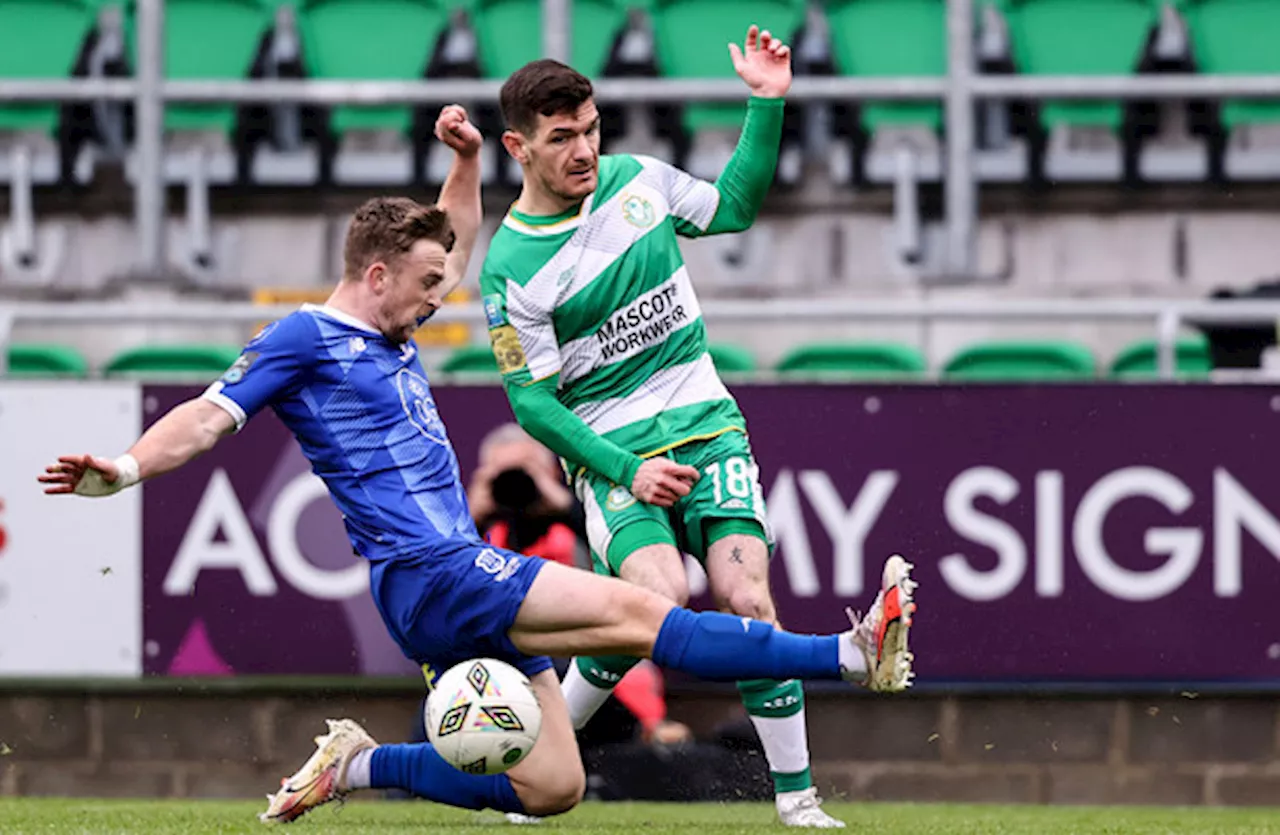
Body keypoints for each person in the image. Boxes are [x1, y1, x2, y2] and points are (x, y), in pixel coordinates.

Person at [37, 97, 915, 826]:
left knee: (553, 787)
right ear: (376, 274)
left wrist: (464, 160)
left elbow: (448, 237)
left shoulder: (391, 318)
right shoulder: (304, 336)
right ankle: (844, 653)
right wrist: (123, 467)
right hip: (433, 570)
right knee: (643, 608)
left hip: (445, 577)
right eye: (425, 287)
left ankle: (360, 766)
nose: (438, 299)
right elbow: (206, 416)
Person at [478, 26, 874, 827]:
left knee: (746, 599)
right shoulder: (509, 268)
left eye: (591, 129)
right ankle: (535, 773)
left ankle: (797, 800)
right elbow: (535, 405)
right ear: (518, 146)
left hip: (708, 428)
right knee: (649, 602)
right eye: (563, 139)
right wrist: (624, 468)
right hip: (618, 456)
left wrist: (765, 104)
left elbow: (732, 208)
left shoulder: (639, 183)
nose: (586, 150)